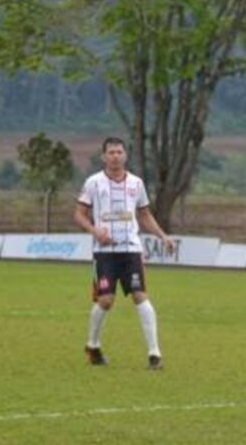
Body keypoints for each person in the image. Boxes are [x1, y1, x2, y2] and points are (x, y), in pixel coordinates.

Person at [74, 137, 175, 370]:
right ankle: (93, 346)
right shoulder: (93, 183)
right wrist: (94, 230)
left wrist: (163, 236)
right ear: (103, 156)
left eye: (119, 152)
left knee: (140, 295)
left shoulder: (136, 184)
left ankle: (154, 354)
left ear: (125, 155)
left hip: (131, 249)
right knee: (106, 301)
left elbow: (144, 215)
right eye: (111, 152)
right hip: (105, 252)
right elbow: (79, 214)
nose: (115, 156)